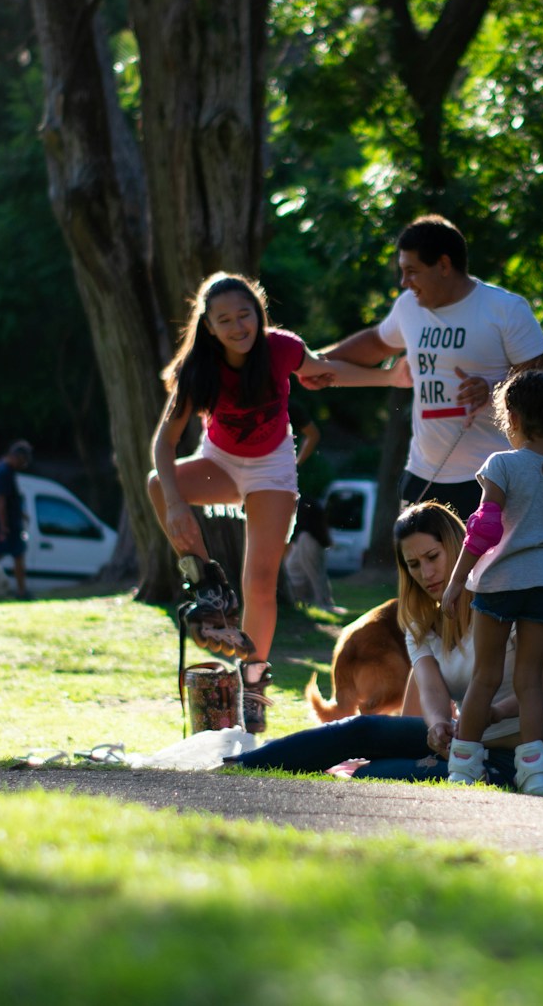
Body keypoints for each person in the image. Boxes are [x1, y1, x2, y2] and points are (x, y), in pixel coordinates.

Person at [149, 272, 395, 732]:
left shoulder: (280, 347)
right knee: (157, 484)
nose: (238, 326)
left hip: (271, 470)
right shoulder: (198, 369)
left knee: (260, 582)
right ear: (209, 326)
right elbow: (164, 444)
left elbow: (326, 368)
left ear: (258, 313)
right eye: (225, 320)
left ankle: (254, 683)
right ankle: (207, 587)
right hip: (220, 461)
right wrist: (179, 507)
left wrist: (391, 377)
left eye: (245, 314)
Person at [227, 501, 543, 784]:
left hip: (517, 749)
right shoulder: (420, 619)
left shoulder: (501, 598)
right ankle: (236, 768)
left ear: (455, 546)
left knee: (372, 775)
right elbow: (430, 687)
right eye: (414, 564)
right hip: (463, 743)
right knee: (360, 731)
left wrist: (490, 713)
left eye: (433, 557)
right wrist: (435, 726)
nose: (426, 573)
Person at [304, 214, 543, 519]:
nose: (404, 282)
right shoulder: (409, 307)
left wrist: (494, 390)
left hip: (492, 480)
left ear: (444, 266)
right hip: (423, 476)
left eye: (412, 272)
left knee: (484, 570)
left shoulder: (505, 310)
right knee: (416, 567)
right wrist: (316, 361)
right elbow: (377, 343)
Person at [441, 370, 543, 795]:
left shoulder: (501, 466)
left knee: (485, 677)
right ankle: (536, 773)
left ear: (513, 417)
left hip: (499, 581)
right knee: (528, 682)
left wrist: (455, 581)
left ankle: (464, 768)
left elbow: (484, 529)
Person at [0, 440, 33, 599]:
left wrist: (20, 514)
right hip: (6, 524)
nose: (23, 465)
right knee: (2, 556)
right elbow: (0, 501)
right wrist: (3, 526)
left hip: (7, 522)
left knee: (1, 555)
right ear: (16, 457)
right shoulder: (4, 473)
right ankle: (21, 591)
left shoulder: (0, 468)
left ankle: (21, 590)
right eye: (23, 460)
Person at [285, 495, 334, 608]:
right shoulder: (308, 537)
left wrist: (325, 603)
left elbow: (315, 574)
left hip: (298, 589)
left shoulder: (306, 538)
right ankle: (320, 601)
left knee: (315, 572)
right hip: (299, 589)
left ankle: (323, 603)